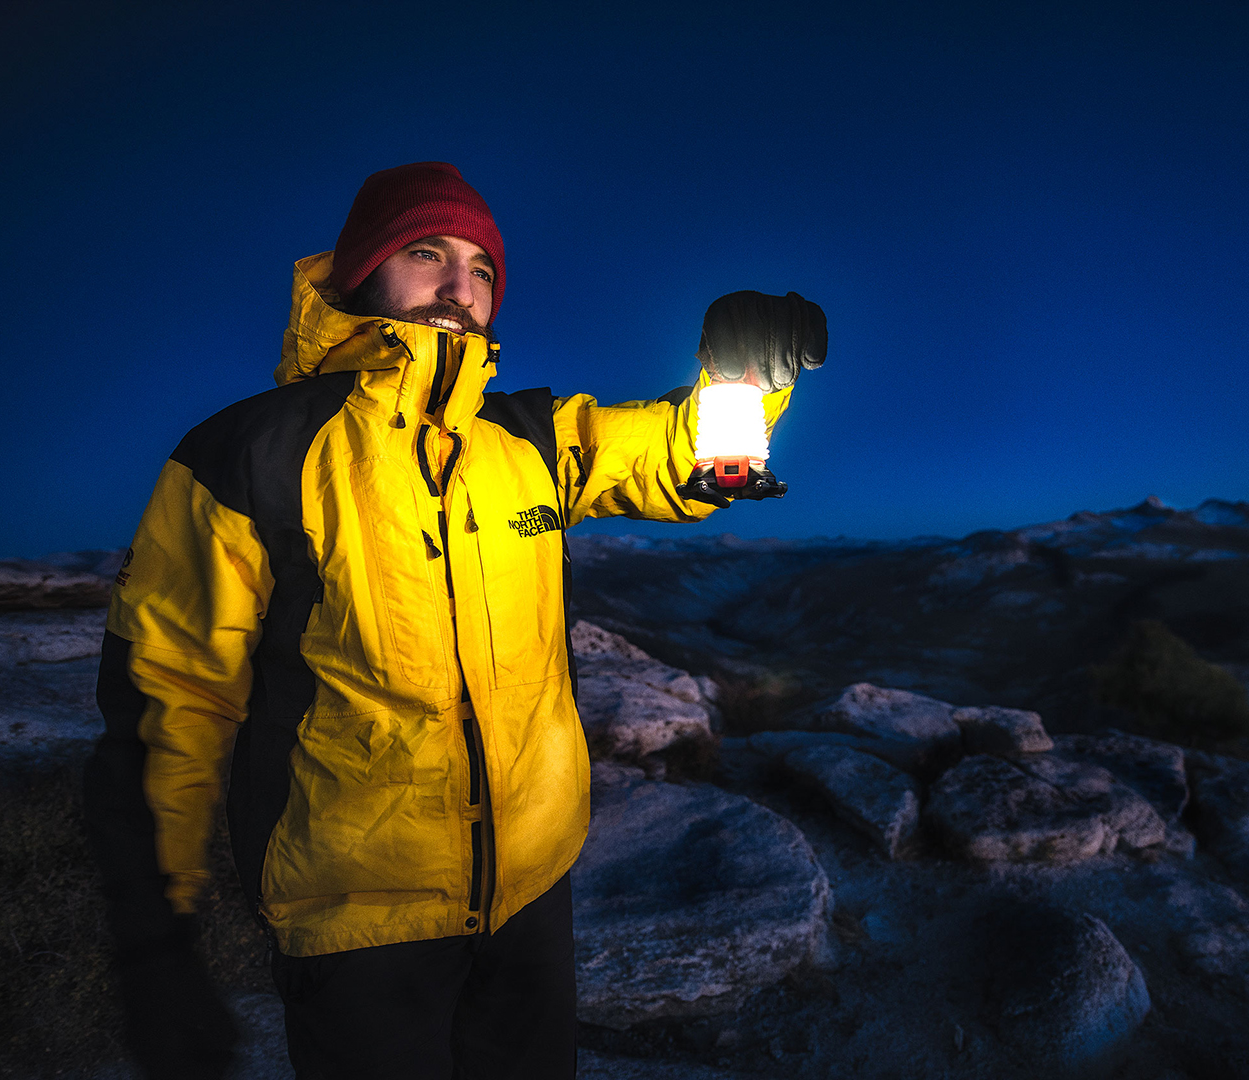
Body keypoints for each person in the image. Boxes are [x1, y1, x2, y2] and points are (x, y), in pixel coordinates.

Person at [82, 161, 827, 1080]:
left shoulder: (529, 438)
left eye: (481, 267)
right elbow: (169, 703)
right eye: (426, 252)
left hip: (531, 892)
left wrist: (747, 376)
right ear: (362, 272)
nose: (458, 286)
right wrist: (157, 947)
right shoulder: (250, 453)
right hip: (360, 921)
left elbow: (678, 456)